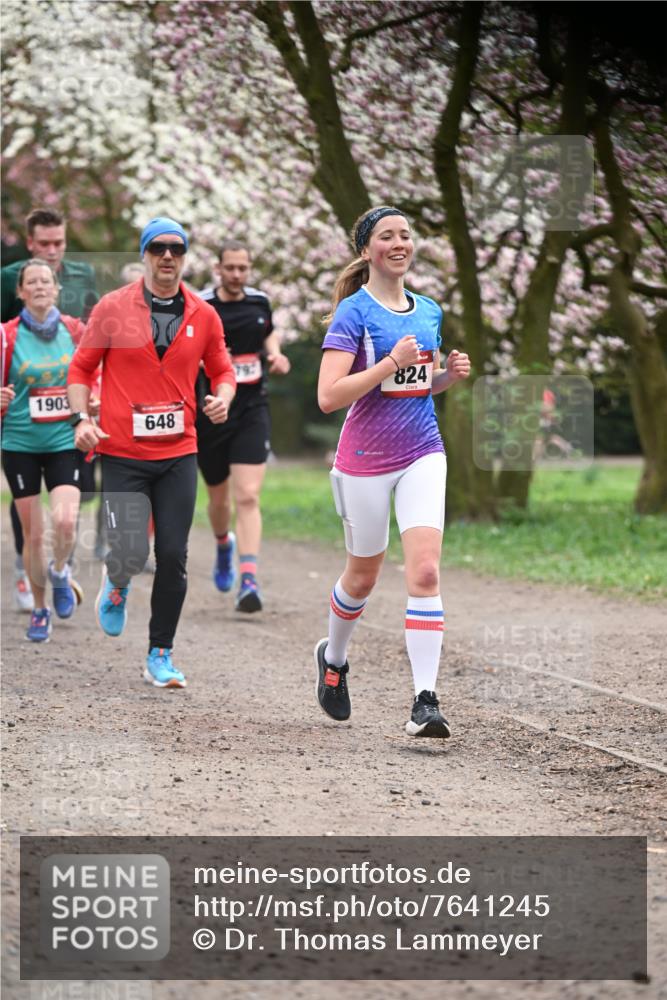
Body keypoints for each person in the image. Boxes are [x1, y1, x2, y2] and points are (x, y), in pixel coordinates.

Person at [314, 206, 470, 738]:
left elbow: (415, 386)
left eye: (406, 234)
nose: (399, 242)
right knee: (363, 576)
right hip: (363, 462)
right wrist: (387, 363)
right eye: (387, 236)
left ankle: (425, 701)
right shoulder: (352, 315)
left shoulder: (428, 310)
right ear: (367, 250)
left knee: (424, 572)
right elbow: (328, 397)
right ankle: (333, 660)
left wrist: (444, 377)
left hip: (423, 450)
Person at [67, 217, 235, 689]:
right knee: (127, 551)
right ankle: (116, 582)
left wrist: (223, 397)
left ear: (185, 257)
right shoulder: (112, 308)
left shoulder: (204, 315)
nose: (167, 256)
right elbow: (80, 370)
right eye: (158, 248)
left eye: (176, 249)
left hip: (179, 451)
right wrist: (83, 420)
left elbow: (223, 369)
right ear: (144, 254)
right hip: (121, 451)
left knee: (174, 554)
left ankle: (160, 654)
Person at [2, 207, 98, 610]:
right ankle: (30, 577)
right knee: (30, 517)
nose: (53, 250)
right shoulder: (8, 280)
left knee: (71, 506)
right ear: (30, 244)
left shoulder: (83, 280)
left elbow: (93, 345)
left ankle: (61, 566)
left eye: (59, 243)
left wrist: (91, 400)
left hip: (66, 420)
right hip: (21, 413)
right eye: (45, 244)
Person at [196, 240, 290, 612]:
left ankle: (248, 579)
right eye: (230, 268)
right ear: (217, 268)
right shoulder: (202, 305)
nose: (236, 275)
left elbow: (268, 331)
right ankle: (223, 544)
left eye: (243, 268)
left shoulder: (259, 302)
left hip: (253, 408)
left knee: (248, 495)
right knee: (218, 499)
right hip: (212, 411)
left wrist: (276, 353)